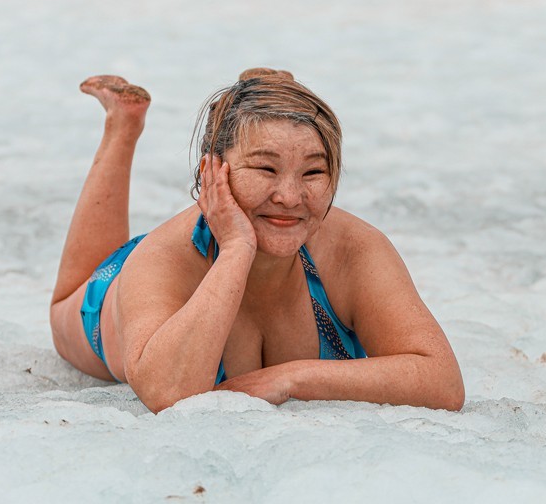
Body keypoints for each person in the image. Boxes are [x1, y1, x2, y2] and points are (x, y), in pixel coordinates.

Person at [49, 69, 464, 413]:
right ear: (215, 169)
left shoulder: (353, 250)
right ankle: (122, 126)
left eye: (313, 173)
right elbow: (167, 394)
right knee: (66, 303)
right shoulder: (163, 258)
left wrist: (289, 377)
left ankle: (261, 93)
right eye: (265, 168)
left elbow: (441, 381)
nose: (290, 197)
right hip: (120, 295)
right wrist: (236, 249)